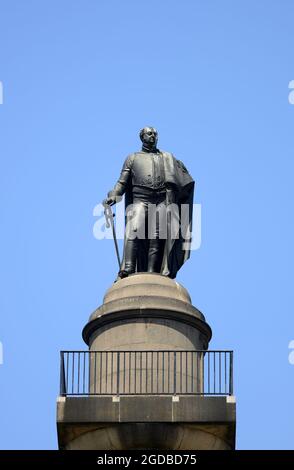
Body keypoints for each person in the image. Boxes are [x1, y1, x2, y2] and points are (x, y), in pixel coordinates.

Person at [103, 127, 195, 279]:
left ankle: (153, 271)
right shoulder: (133, 158)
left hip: (161, 199)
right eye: (149, 134)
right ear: (142, 137)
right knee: (134, 229)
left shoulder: (166, 157)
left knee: (157, 236)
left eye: (155, 134)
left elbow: (183, 178)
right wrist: (114, 195)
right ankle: (128, 267)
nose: (153, 136)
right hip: (140, 199)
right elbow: (122, 183)